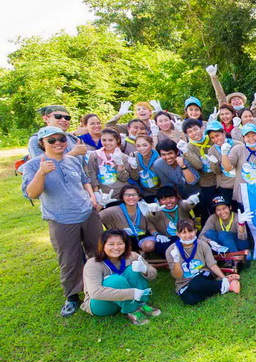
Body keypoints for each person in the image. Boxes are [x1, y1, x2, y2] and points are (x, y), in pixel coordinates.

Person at [21, 126, 103, 317]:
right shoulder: (33, 165)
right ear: (42, 143)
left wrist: (92, 197)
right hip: (61, 219)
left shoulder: (72, 160)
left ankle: (100, 284)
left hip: (87, 212)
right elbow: (31, 193)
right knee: (69, 259)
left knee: (98, 250)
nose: (58, 143)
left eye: (61, 139)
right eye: (52, 140)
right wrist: (41, 173)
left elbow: (84, 180)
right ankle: (72, 296)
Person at [81, 229, 159, 325]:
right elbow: (95, 293)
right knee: (114, 280)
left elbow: (153, 274)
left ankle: (141, 304)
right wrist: (131, 293)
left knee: (132, 270)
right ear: (103, 246)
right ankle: (132, 311)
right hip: (102, 303)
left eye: (120, 243)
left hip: (128, 298)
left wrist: (145, 270)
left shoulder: (132, 256)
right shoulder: (93, 264)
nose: (116, 247)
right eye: (111, 244)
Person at [166, 219, 241, 305]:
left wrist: (223, 277)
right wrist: (176, 260)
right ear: (178, 234)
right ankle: (219, 284)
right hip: (184, 282)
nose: (188, 235)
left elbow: (212, 264)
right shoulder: (170, 250)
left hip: (202, 274)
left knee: (195, 284)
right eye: (184, 232)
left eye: (190, 231)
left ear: (195, 231)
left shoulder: (202, 244)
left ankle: (227, 285)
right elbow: (177, 276)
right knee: (190, 300)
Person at [99, 185, 158, 254]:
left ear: (139, 197)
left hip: (142, 237)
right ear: (122, 197)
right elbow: (95, 217)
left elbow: (150, 225)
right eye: (127, 195)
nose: (131, 197)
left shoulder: (144, 208)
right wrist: (101, 204)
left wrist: (157, 234)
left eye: (134, 194)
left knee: (149, 245)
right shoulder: (113, 210)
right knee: (125, 246)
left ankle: (141, 252)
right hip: (122, 238)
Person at [180, 118, 217, 223]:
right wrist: (186, 152)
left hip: (220, 178)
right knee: (211, 208)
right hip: (206, 183)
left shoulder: (211, 139)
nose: (194, 133)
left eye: (195, 129)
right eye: (190, 132)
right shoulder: (189, 147)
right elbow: (198, 165)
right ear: (187, 134)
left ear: (202, 128)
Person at [85, 127, 131, 206]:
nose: (107, 143)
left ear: (117, 140)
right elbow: (92, 173)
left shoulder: (124, 157)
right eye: (104, 140)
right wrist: (96, 192)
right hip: (102, 195)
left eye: (110, 140)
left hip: (119, 195)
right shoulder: (94, 155)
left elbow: (124, 178)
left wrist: (119, 165)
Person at [205, 121, 245, 207]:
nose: (216, 139)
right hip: (225, 186)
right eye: (212, 138)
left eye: (217, 135)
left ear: (223, 133)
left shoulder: (238, 145)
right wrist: (214, 163)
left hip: (240, 183)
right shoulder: (212, 150)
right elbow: (217, 172)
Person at [128, 135, 161, 202]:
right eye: (138, 146)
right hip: (144, 192)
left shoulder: (159, 156)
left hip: (159, 190)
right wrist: (133, 168)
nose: (142, 149)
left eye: (145, 145)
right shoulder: (134, 156)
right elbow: (135, 178)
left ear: (151, 145)